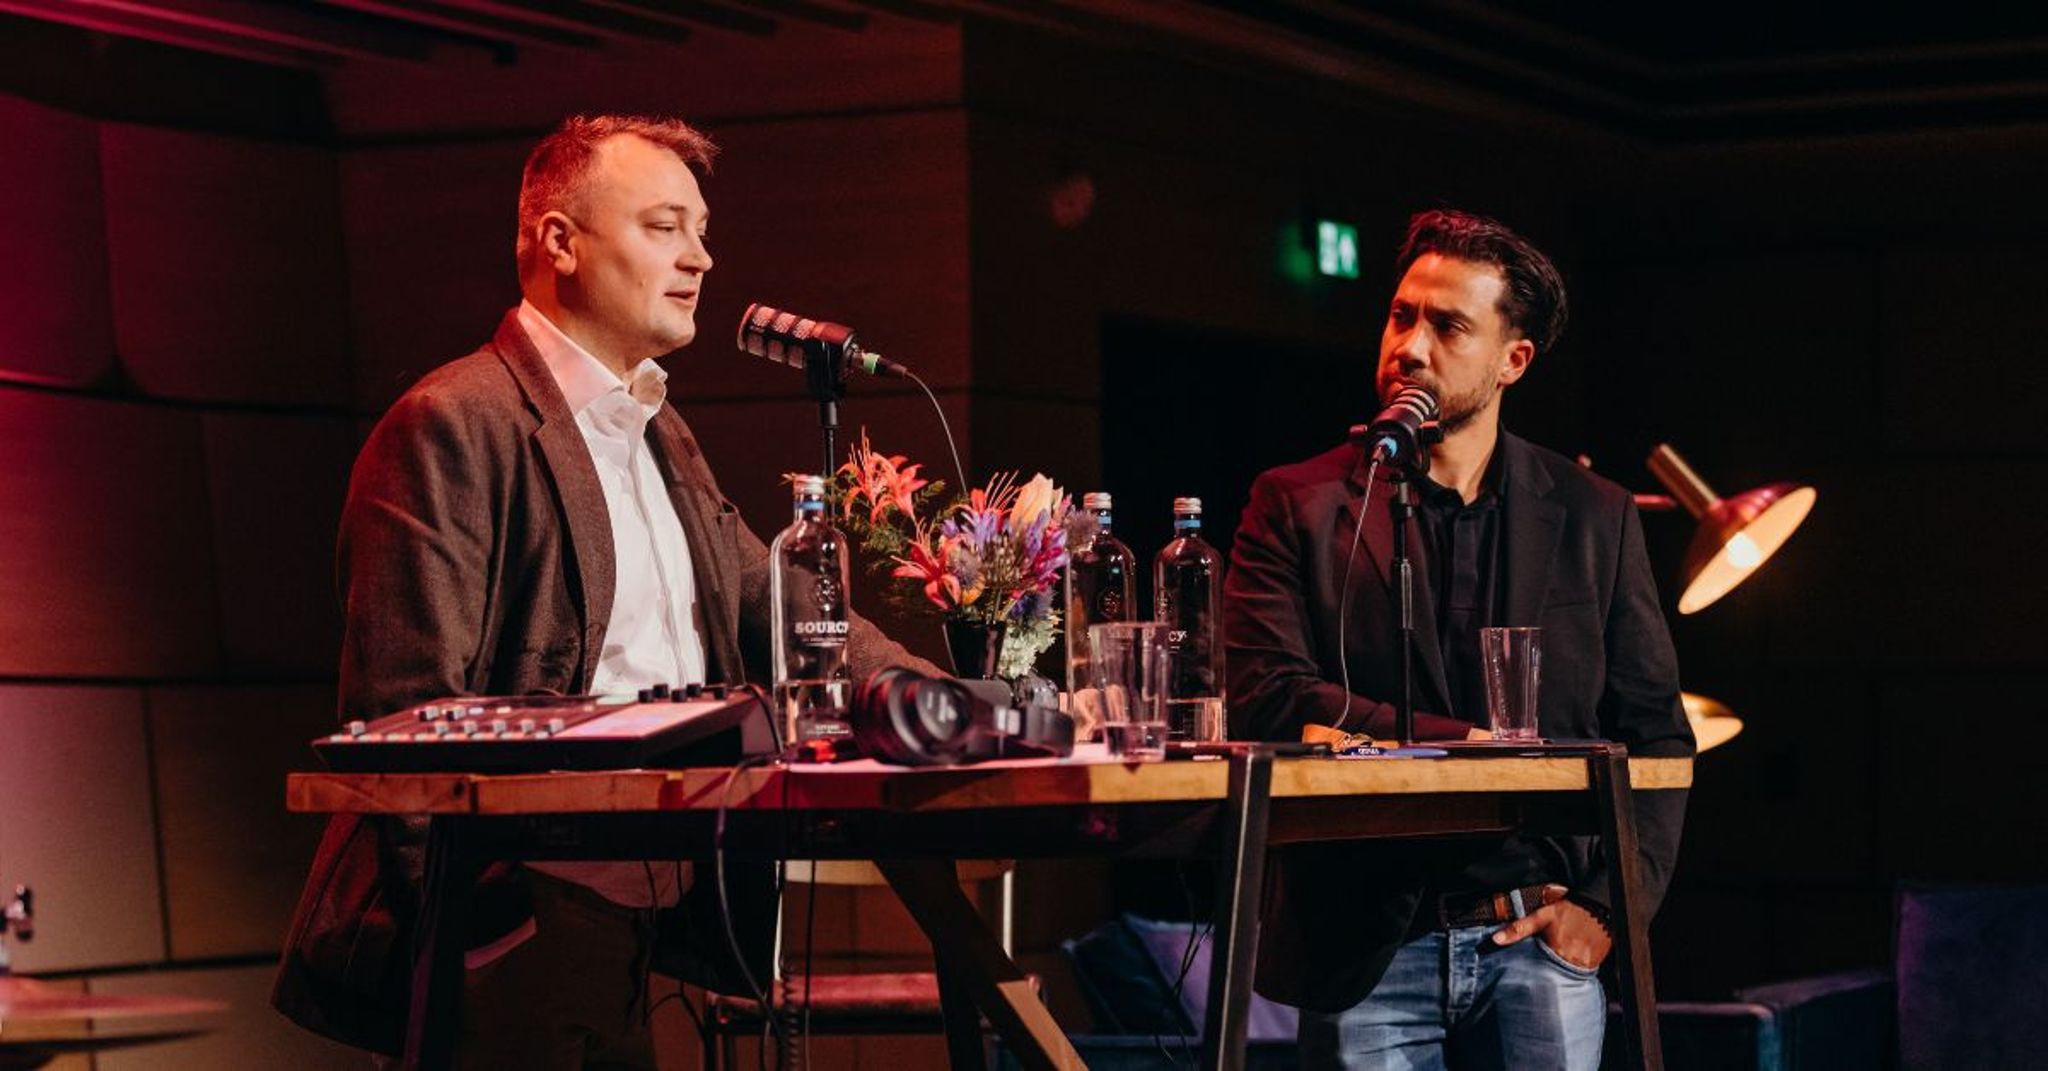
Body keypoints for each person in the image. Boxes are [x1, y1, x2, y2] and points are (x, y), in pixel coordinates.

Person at [272, 114, 937, 1068]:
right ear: (560, 241)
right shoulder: (452, 423)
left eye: (701, 231)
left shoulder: (659, 431)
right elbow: (403, 716)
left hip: (636, 925)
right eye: (665, 227)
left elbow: (784, 608)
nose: (700, 257)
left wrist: (949, 701)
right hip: (518, 918)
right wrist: (483, 933)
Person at [1223, 208, 1694, 1069]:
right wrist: (1468, 745)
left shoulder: (1594, 515)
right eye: (1401, 315)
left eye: (1447, 326)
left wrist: (1603, 909)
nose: (1410, 346)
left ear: (1514, 360)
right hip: (1364, 949)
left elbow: (1657, 734)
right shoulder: (1296, 503)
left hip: (1536, 935)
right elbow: (1266, 696)